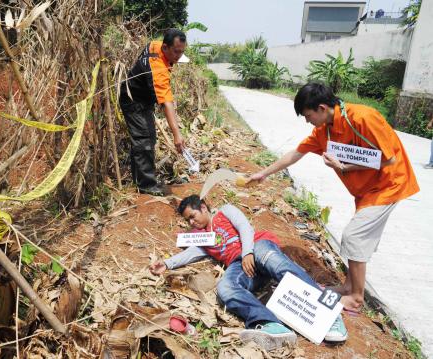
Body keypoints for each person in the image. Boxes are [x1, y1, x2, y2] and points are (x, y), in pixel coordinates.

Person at [246, 83, 420, 311]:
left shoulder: (364, 118)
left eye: (308, 116)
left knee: (354, 236)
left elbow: (389, 160)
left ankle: (356, 297)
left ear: (321, 108)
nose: (308, 122)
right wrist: (263, 173)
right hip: (365, 192)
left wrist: (344, 167)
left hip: (389, 184)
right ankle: (349, 286)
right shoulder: (324, 132)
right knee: (360, 238)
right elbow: (295, 154)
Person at [149, 195, 347, 351]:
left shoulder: (224, 211)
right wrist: (167, 264)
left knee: (278, 265)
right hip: (240, 266)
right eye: (187, 220)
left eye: (193, 216)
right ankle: (270, 324)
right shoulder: (201, 237)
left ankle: (330, 315)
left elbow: (245, 227)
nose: (191, 222)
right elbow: (192, 253)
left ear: (203, 207)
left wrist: (247, 253)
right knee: (226, 289)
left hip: (256, 247)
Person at [119, 28, 187, 196]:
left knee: (149, 137)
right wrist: (176, 135)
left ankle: (140, 178)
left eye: (182, 52)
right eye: (176, 52)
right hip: (133, 100)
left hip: (144, 99)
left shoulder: (157, 46)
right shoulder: (157, 69)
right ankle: (146, 185)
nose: (179, 56)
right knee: (144, 140)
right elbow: (167, 103)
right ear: (165, 48)